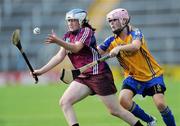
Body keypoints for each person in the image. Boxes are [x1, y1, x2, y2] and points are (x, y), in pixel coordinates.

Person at [32, 9, 143, 126]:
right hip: (83, 76)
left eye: (73, 20)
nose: (70, 23)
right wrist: (41, 71)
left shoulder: (86, 31)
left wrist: (58, 41)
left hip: (98, 75)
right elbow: (59, 57)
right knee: (65, 102)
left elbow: (76, 48)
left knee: (115, 111)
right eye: (68, 20)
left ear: (81, 21)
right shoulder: (67, 36)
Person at [97, 8, 176, 126]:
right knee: (123, 100)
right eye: (110, 21)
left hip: (152, 75)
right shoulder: (111, 40)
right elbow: (96, 53)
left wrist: (119, 48)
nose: (112, 23)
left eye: (114, 20)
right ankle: (150, 120)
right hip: (133, 77)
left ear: (124, 20)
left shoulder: (136, 33)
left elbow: (135, 46)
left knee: (160, 104)